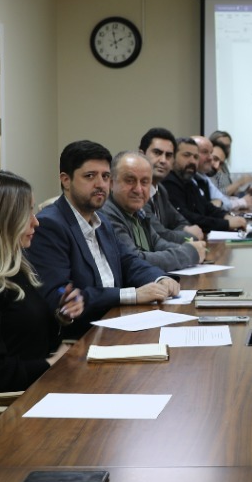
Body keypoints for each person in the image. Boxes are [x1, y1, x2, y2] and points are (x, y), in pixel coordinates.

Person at [0, 169, 84, 393]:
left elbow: (27, 340)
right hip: (14, 404)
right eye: (27, 212)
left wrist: (61, 316)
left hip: (40, 388)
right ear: (2, 221)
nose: (35, 222)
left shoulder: (17, 271)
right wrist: (51, 364)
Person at [26, 140, 180, 331]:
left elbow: (129, 262)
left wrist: (159, 278)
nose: (100, 184)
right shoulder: (50, 225)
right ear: (66, 180)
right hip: (82, 333)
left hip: (117, 321)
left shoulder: (102, 221)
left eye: (105, 176)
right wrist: (131, 295)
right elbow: (61, 295)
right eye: (90, 176)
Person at [102, 150, 204, 273]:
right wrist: (189, 253)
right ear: (111, 183)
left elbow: (158, 243)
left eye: (144, 182)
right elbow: (135, 261)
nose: (138, 189)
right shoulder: (106, 214)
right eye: (130, 180)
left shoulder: (138, 211)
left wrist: (192, 248)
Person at [162, 136, 248, 234]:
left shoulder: (188, 181)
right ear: (172, 157)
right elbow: (187, 217)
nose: (192, 161)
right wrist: (226, 224)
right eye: (186, 155)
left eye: (195, 157)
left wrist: (227, 216)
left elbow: (206, 207)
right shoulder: (168, 182)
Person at [140, 126, 204, 240]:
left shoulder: (161, 190)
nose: (163, 160)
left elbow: (181, 222)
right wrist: (189, 235)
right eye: (157, 153)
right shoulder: (137, 192)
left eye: (168, 155)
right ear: (141, 155)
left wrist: (180, 232)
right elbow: (159, 235)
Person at [209, 130, 252, 196]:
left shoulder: (224, 166)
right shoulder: (209, 167)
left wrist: (245, 193)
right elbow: (216, 194)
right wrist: (239, 183)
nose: (225, 149)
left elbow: (230, 192)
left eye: (228, 146)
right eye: (221, 145)